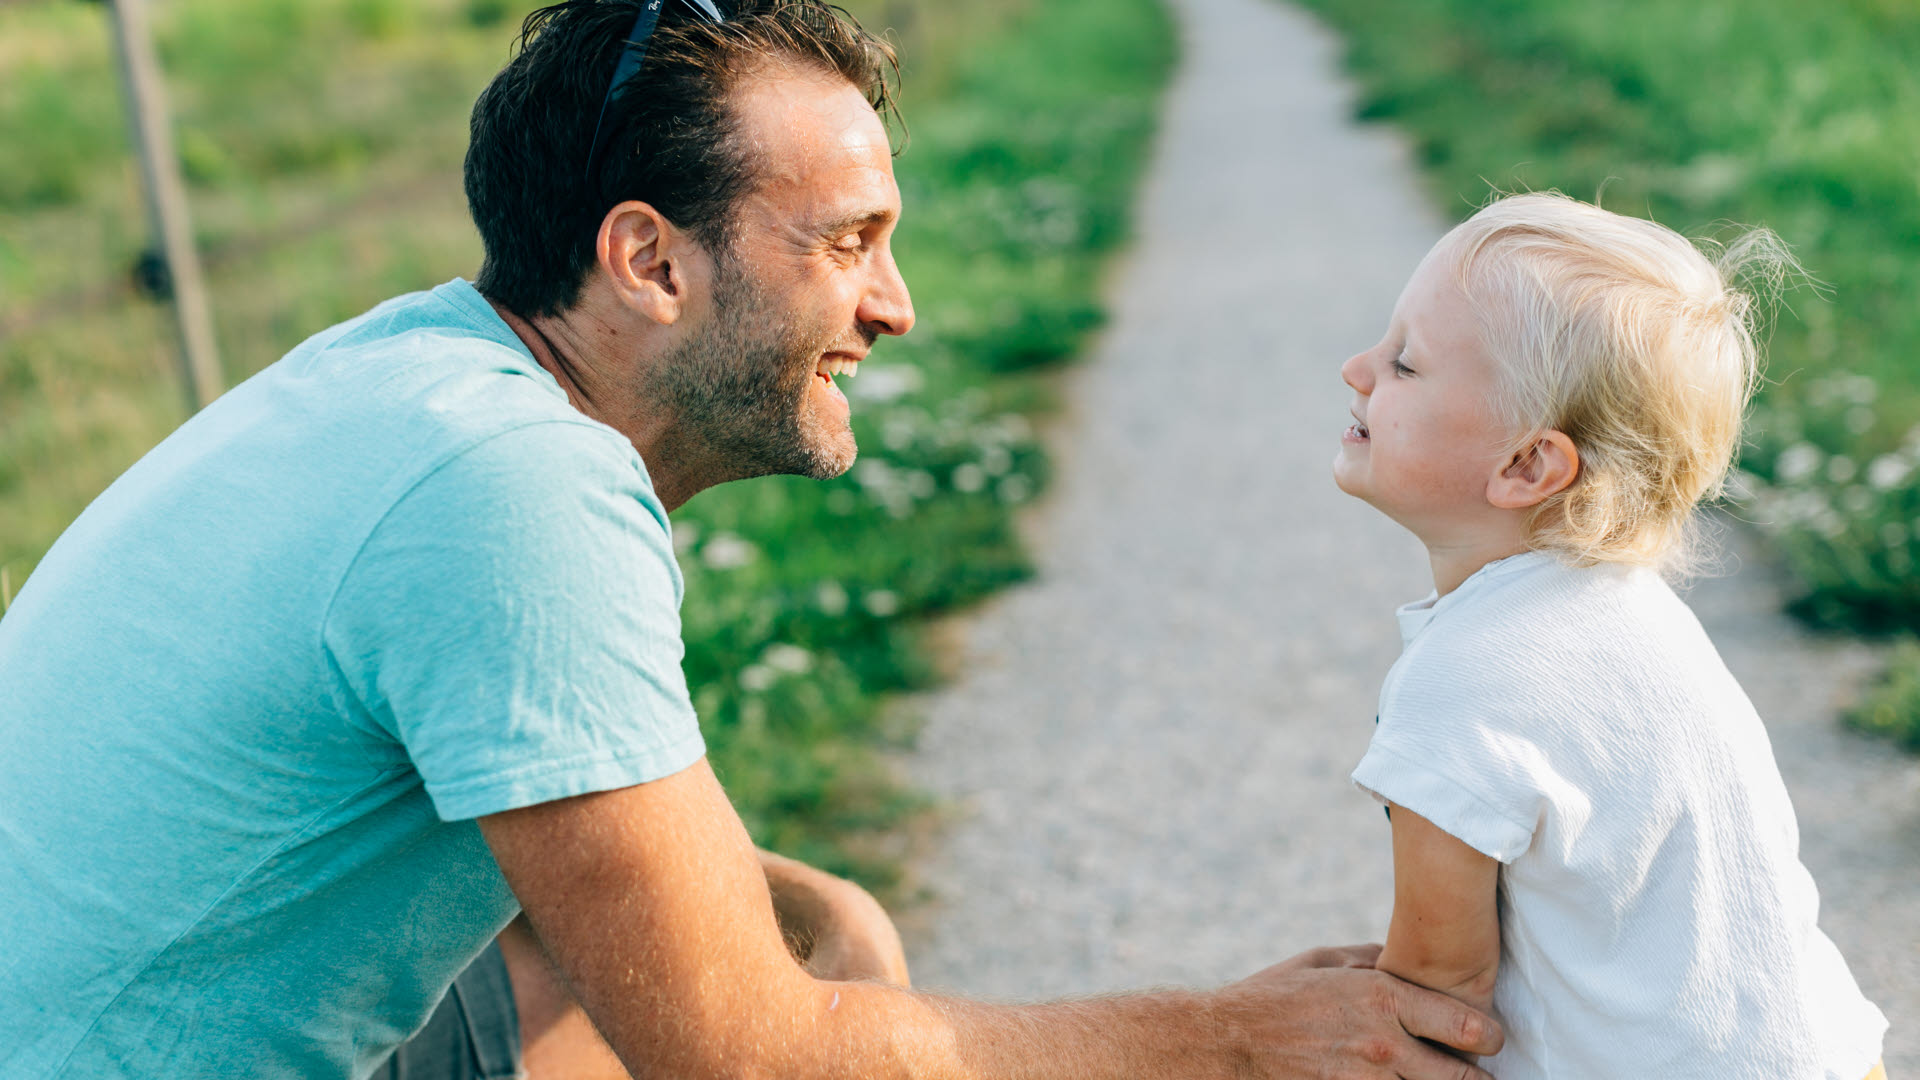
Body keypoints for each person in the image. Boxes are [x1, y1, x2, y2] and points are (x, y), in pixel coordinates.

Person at [0, 2, 1505, 1077]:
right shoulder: (515, 494)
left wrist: (807, 900)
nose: (896, 304)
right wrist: (1231, 1042)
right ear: (648, 259)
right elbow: (757, 1063)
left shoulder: (417, 376)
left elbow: (575, 833)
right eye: (846, 242)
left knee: (738, 956)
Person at [1332, 191, 1890, 1078]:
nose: (1358, 368)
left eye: (1405, 365)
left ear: (1528, 465)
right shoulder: (1636, 611)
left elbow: (1441, 984)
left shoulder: (1461, 678)